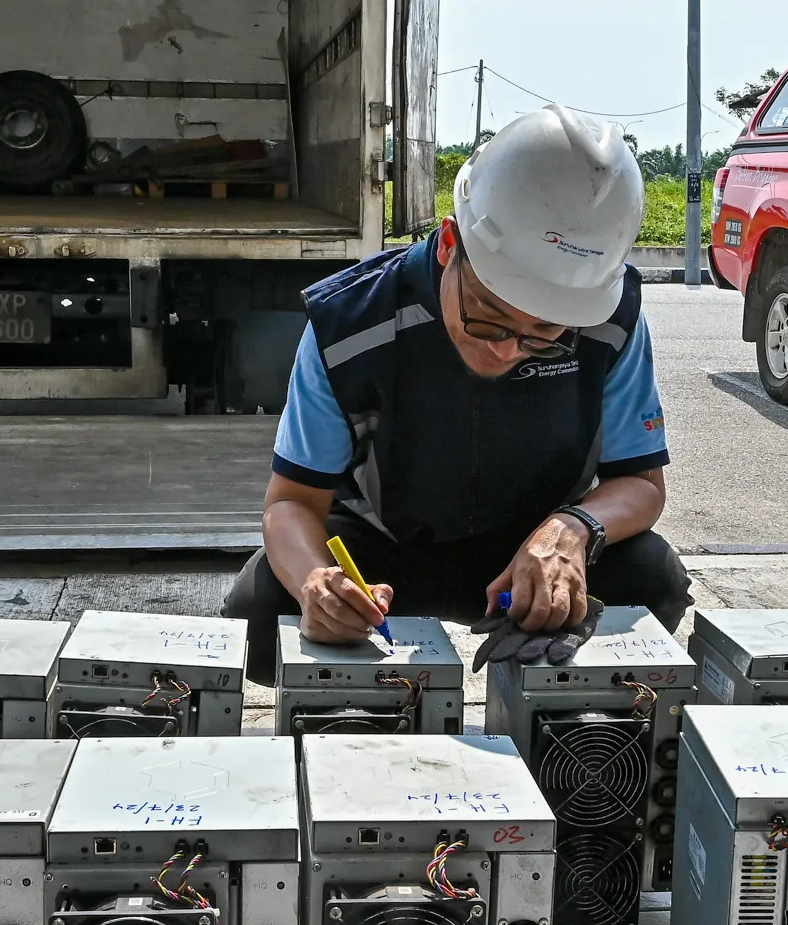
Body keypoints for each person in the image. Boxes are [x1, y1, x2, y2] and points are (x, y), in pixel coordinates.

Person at [222, 104, 692, 678]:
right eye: (488, 319)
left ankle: (572, 738)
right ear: (449, 244)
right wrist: (317, 586)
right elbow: (291, 503)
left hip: (529, 562)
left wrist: (572, 529)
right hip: (385, 558)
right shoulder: (348, 324)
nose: (506, 350)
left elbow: (641, 485)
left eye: (544, 335)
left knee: (651, 579)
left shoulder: (610, 321)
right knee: (262, 605)